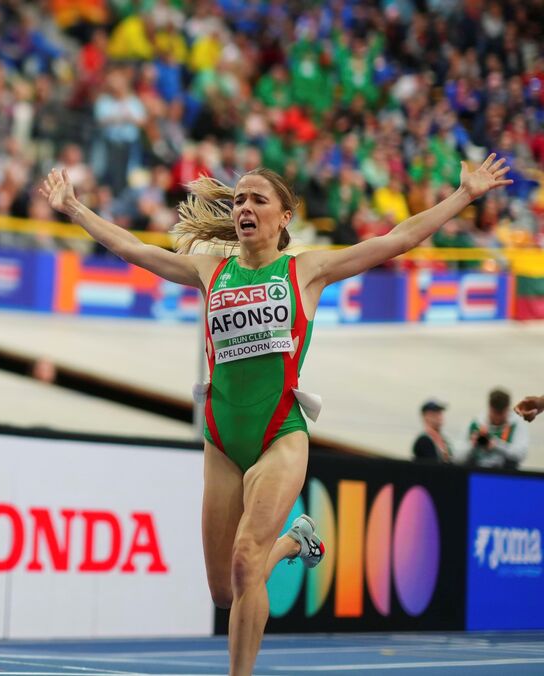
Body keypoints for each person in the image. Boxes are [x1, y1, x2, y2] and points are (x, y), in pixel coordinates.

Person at [40, 153, 511, 676]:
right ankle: (293, 542)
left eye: (258, 200)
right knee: (224, 590)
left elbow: (397, 239)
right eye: (239, 199)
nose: (245, 207)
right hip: (222, 438)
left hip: (280, 434)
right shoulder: (209, 270)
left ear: (284, 216)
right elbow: (133, 249)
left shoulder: (306, 271)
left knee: (246, 562)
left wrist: (463, 195)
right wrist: (74, 208)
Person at [466, 388, 528, 469]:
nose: (497, 417)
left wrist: (496, 445)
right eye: (495, 413)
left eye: (501, 413)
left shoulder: (516, 425)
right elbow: (457, 456)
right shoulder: (476, 423)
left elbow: (521, 455)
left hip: (505, 473)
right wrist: (471, 445)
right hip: (477, 470)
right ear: (489, 407)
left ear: (507, 409)